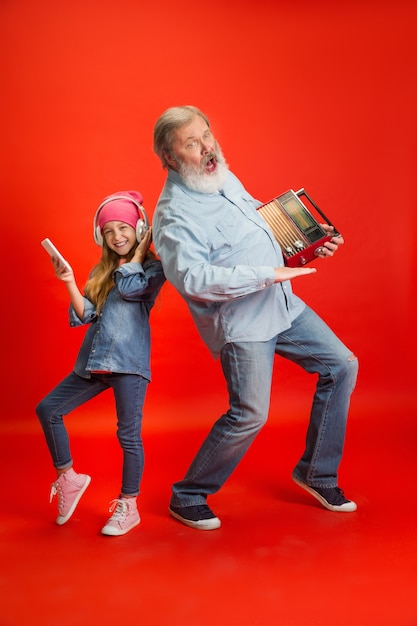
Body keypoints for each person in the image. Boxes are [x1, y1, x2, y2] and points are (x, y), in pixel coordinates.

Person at [152, 105, 359, 530]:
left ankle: (317, 472)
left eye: (206, 134)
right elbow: (193, 278)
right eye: (192, 143)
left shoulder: (220, 176)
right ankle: (188, 495)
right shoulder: (174, 214)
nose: (207, 147)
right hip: (242, 322)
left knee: (342, 365)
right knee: (250, 414)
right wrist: (269, 273)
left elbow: (259, 224)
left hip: (280, 302)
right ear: (170, 158)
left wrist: (304, 245)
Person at [36, 191, 165, 536]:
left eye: (124, 227)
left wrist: (137, 255)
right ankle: (69, 479)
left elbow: (131, 289)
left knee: (128, 436)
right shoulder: (102, 269)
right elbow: (86, 315)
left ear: (139, 228)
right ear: (100, 236)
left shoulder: (152, 268)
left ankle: (129, 504)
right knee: (48, 409)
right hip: (94, 362)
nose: (117, 236)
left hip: (128, 364)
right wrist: (68, 282)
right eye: (109, 231)